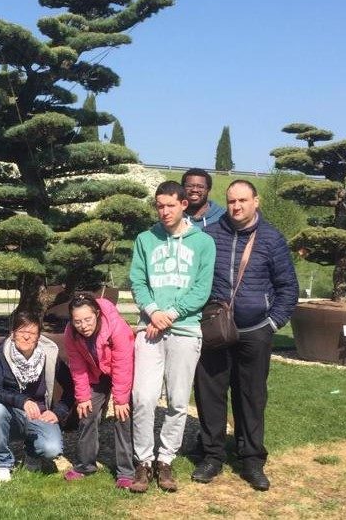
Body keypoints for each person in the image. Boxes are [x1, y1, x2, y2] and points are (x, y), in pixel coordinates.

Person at [192, 180, 298, 490]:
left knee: (251, 396)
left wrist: (272, 324)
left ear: (256, 201)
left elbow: (287, 288)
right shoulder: (210, 236)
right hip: (215, 327)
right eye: (231, 201)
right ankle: (212, 456)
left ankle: (251, 459)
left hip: (254, 331)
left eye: (242, 200)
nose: (236, 206)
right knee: (209, 394)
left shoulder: (272, 239)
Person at [128, 180, 216, 493]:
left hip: (185, 330)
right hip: (150, 329)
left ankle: (165, 460)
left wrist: (169, 316)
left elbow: (201, 290)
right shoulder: (145, 239)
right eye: (159, 206)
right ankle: (143, 461)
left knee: (178, 401)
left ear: (183, 205)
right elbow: (138, 281)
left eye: (170, 205)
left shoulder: (203, 243)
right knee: (143, 398)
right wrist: (153, 312)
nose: (164, 211)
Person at [0, 311, 74, 482]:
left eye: (32, 333)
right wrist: (22, 401)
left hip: (40, 415)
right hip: (12, 414)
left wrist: (58, 412)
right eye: (21, 332)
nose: (26, 337)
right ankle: (2, 463)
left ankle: (32, 452)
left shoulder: (49, 355)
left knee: (52, 449)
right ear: (12, 334)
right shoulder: (2, 353)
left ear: (38, 336)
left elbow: (71, 387)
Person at [61, 293, 136, 489]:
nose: (83, 326)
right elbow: (77, 366)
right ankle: (85, 465)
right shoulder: (71, 332)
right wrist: (83, 397)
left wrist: (120, 400)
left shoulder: (116, 327)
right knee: (86, 412)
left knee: (123, 415)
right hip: (97, 372)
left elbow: (123, 364)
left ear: (97, 314)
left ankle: (126, 471)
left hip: (123, 369)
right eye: (77, 321)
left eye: (87, 319)